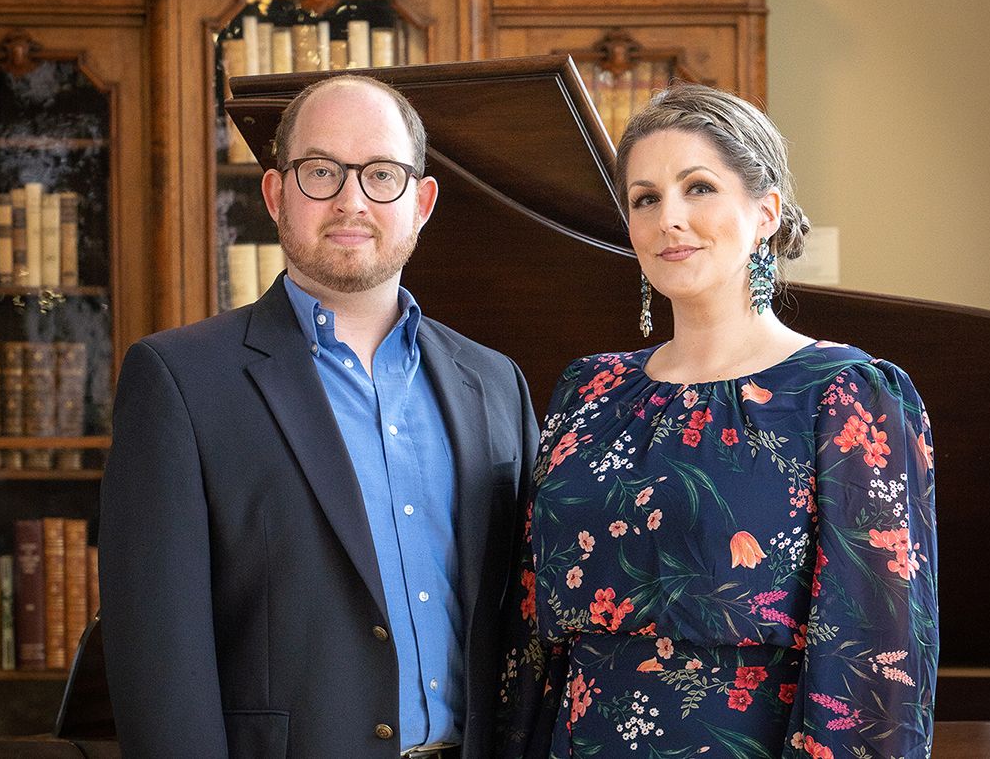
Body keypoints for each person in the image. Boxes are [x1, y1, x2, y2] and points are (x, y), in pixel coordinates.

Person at [99, 74, 537, 759]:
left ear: (421, 202)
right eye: (321, 171)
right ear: (276, 194)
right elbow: (159, 661)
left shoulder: (496, 381)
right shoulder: (179, 381)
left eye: (382, 174)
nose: (351, 200)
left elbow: (525, 625)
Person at [497, 83, 938, 758]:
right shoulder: (587, 390)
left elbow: (875, 658)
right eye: (645, 198)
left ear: (765, 213)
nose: (668, 217)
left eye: (698, 187)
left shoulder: (843, 395)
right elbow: (530, 627)